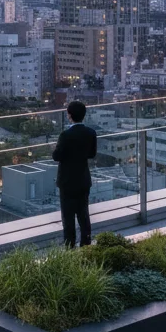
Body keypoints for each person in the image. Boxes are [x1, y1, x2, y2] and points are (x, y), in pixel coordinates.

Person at [52, 99, 97, 248]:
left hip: (67, 181)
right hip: (83, 179)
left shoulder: (65, 135)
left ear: (69, 115)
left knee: (68, 217)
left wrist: (55, 148)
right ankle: (86, 245)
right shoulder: (91, 133)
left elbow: (56, 156)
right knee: (84, 214)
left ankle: (70, 247)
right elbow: (92, 154)